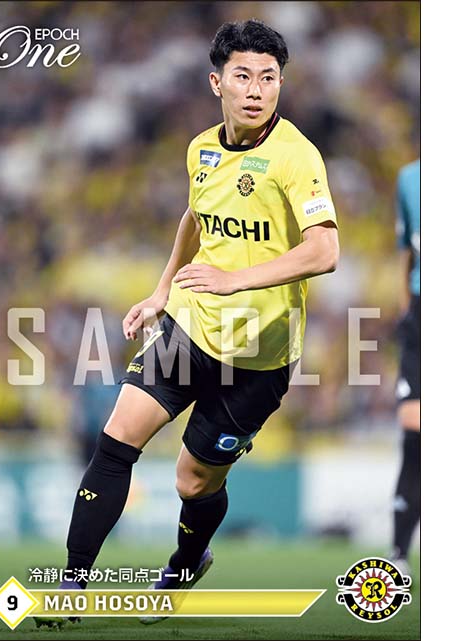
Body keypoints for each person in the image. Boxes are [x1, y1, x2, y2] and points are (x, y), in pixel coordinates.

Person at [44, 18, 339, 626]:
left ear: (281, 85)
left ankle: (183, 567)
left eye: (269, 78)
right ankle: (72, 586)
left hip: (258, 359)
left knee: (193, 482)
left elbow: (324, 251)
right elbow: (197, 216)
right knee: (116, 438)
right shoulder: (200, 148)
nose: (256, 89)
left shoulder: (296, 156)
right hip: (190, 330)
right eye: (243, 76)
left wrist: (235, 279)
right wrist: (162, 290)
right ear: (216, 82)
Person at [391, 158, 420, 575]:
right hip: (422, 311)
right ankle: (399, 552)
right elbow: (406, 253)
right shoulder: (410, 179)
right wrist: (407, 312)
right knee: (414, 428)